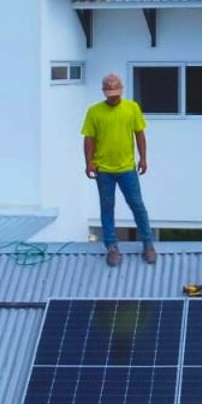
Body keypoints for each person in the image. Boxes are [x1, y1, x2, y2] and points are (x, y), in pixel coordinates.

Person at [82, 74, 155, 266]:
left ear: (121, 90)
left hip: (127, 168)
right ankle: (112, 247)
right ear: (104, 92)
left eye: (116, 93)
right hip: (103, 169)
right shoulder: (94, 111)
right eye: (110, 94)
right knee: (107, 207)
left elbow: (140, 134)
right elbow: (89, 138)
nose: (113, 97)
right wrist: (88, 162)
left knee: (137, 205)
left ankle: (148, 243)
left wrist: (143, 158)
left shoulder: (132, 108)